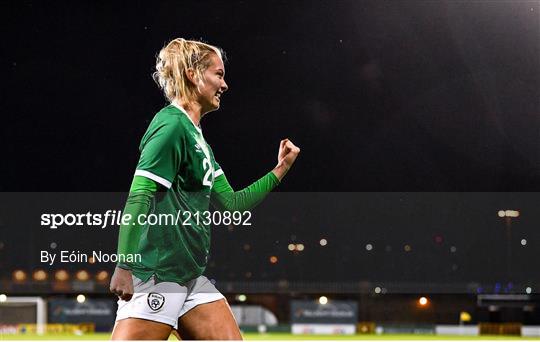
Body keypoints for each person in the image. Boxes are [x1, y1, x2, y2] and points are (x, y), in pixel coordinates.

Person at [109, 38, 300, 340]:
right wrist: (124, 264)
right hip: (158, 276)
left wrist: (282, 168)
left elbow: (233, 203)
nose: (224, 85)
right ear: (192, 74)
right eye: (218, 74)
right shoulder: (170, 127)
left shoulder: (200, 143)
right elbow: (140, 196)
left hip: (189, 277)